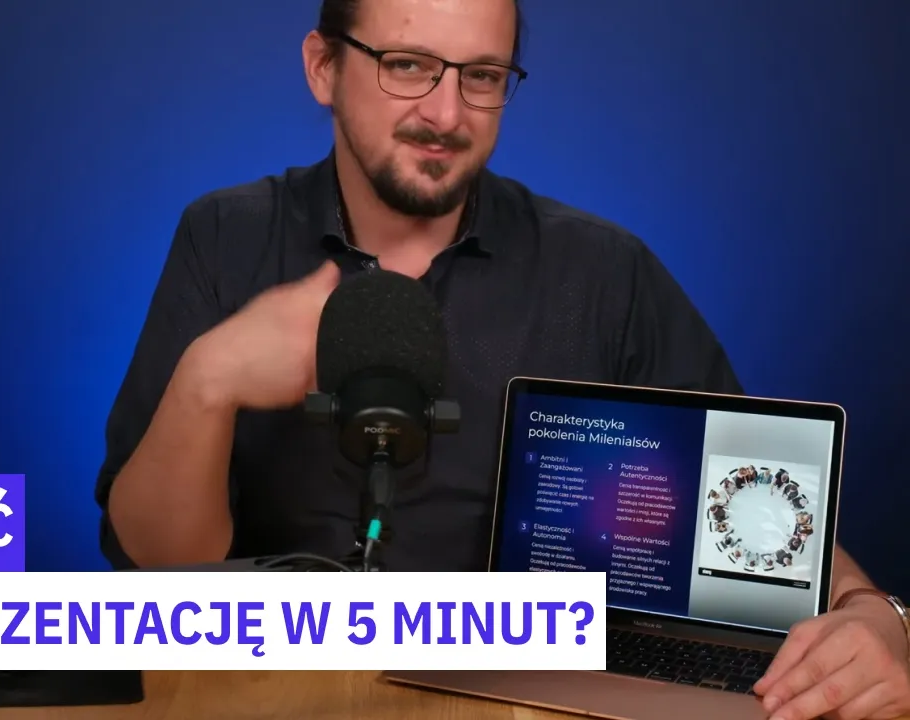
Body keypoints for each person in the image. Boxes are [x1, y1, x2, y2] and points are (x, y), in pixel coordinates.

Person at [92, 0, 910, 717]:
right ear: (323, 67)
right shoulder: (225, 238)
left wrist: (874, 613)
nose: (446, 113)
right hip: (263, 693)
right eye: (407, 65)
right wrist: (208, 382)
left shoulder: (601, 272)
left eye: (481, 76)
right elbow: (156, 565)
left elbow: (750, 509)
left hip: (528, 701)